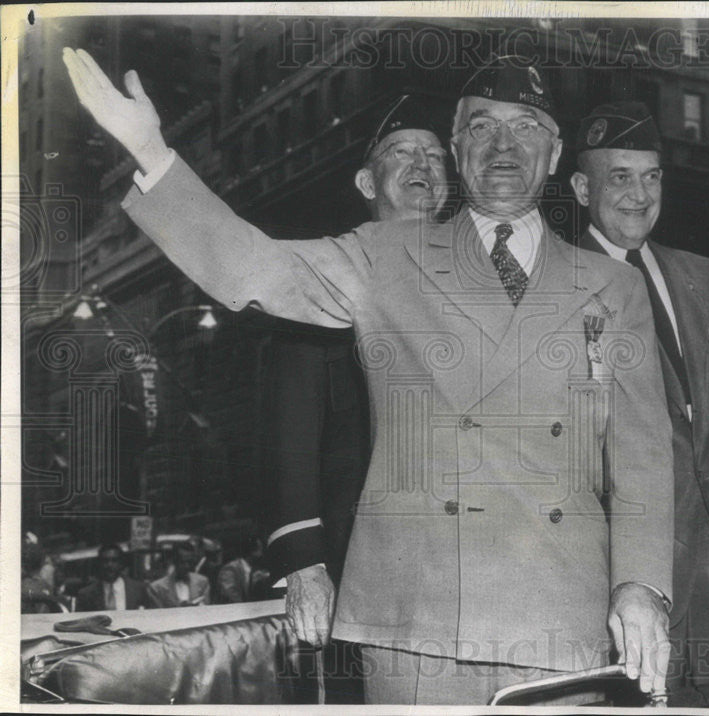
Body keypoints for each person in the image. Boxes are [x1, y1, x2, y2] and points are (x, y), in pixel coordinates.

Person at [63, 49, 675, 705]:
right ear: (457, 147)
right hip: (415, 621)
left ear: (554, 155)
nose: (504, 143)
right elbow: (253, 269)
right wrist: (153, 154)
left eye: (526, 126)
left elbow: (641, 455)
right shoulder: (385, 255)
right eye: (482, 125)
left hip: (562, 615)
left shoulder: (613, 285)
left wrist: (640, 585)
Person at [569, 101, 709, 705]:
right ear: (584, 188)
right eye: (619, 176)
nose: (639, 194)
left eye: (651, 175)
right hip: (625, 579)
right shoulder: (555, 284)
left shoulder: (703, 277)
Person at [264, 94, 448, 705]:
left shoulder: (484, 281)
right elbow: (290, 429)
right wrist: (304, 564)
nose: (422, 162)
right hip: (361, 564)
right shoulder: (332, 273)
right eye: (402, 152)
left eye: (434, 154)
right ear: (368, 181)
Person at [76, 543, 154, 611]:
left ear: (121, 563)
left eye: (114, 560)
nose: (110, 565)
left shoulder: (139, 589)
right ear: (99, 564)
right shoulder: (86, 594)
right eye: (105, 561)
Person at [147, 542, 212, 607]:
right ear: (174, 561)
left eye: (190, 562)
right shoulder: (157, 588)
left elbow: (205, 611)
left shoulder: (203, 582)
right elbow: (158, 615)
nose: (187, 566)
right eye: (182, 562)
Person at [217, 535, 270, 603]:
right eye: (260, 549)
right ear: (252, 551)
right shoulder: (230, 569)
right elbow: (230, 595)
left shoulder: (256, 569)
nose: (262, 554)